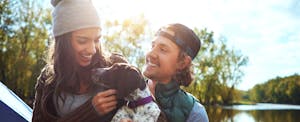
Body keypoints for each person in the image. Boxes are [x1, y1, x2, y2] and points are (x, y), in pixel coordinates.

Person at [32, 0, 128, 121]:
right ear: (64, 42)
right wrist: (89, 112)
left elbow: (146, 105)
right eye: (82, 41)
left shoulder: (117, 66)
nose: (92, 50)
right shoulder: (48, 79)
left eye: (97, 40)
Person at [143, 23, 209, 122]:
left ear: (182, 63)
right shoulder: (121, 92)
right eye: (152, 46)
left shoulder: (195, 113)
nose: (150, 54)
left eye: (163, 49)